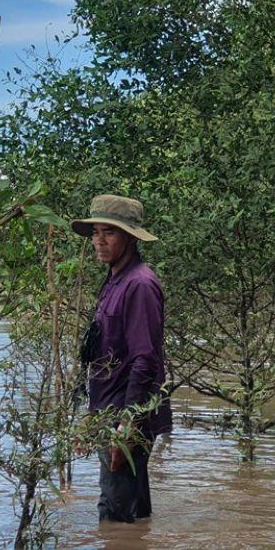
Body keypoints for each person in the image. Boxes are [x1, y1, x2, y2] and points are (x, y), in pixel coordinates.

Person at [72, 194, 173, 524]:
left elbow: (146, 359)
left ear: (130, 237)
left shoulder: (140, 284)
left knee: (114, 514)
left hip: (126, 415)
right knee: (134, 514)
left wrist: (126, 426)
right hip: (110, 409)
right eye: (95, 232)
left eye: (109, 233)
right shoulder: (115, 278)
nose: (99, 241)